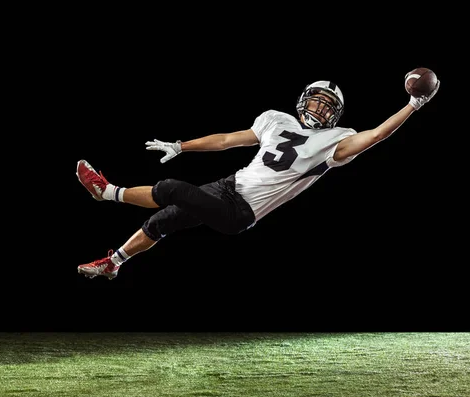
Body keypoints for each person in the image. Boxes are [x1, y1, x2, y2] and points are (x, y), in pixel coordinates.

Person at [75, 75, 440, 279]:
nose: (318, 107)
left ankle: (106, 192)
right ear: (303, 99)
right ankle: (114, 262)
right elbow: (226, 140)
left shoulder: (336, 140)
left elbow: (376, 135)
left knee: (172, 188)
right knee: (163, 220)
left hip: (242, 212)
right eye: (315, 100)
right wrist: (181, 145)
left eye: (326, 105)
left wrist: (413, 104)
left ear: (335, 114)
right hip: (229, 186)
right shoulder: (275, 119)